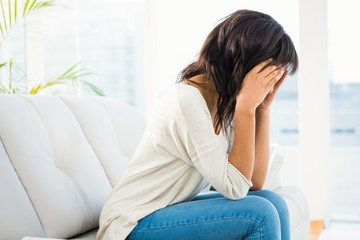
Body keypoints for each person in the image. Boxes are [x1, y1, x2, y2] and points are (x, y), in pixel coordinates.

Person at [97, 9, 298, 240]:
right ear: (246, 63)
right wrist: (246, 109)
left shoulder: (224, 102)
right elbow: (236, 188)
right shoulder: (186, 101)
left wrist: (263, 108)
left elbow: (254, 183)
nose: (267, 83)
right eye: (266, 74)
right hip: (131, 223)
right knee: (259, 214)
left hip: (163, 210)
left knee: (273, 203)